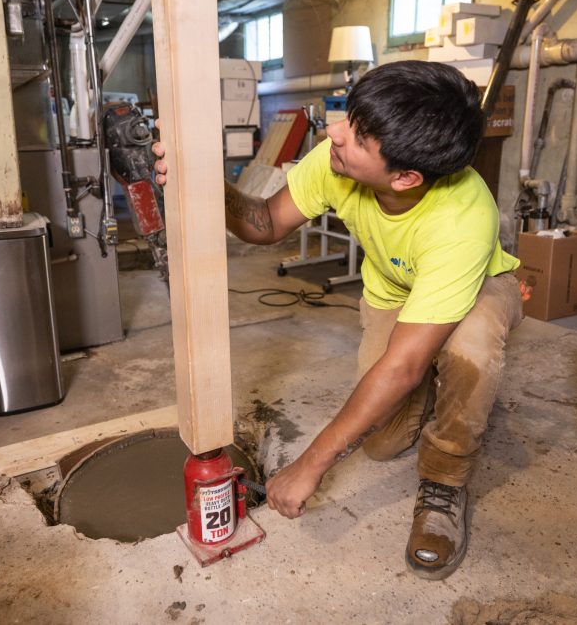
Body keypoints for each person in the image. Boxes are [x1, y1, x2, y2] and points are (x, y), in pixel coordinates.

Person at [153, 60, 523, 580]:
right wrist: (201, 183)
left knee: (469, 351)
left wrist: (309, 465)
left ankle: (445, 482)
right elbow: (264, 224)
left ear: (406, 176)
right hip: (396, 291)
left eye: (358, 135)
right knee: (381, 441)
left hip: (477, 284)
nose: (335, 131)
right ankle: (436, 384)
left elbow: (401, 368)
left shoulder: (462, 220)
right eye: (351, 117)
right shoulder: (336, 160)